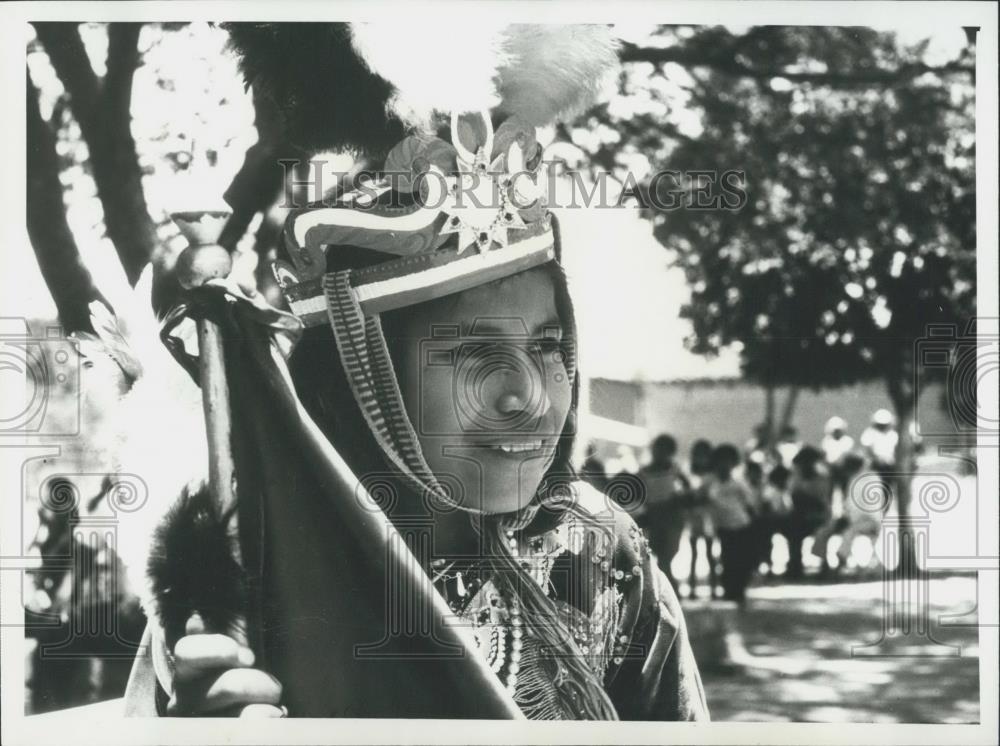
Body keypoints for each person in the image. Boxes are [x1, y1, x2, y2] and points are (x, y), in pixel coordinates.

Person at [123, 111, 707, 721]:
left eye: (544, 345)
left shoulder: (599, 548)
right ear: (358, 377)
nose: (528, 395)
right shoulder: (251, 569)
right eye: (470, 353)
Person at [635, 435, 690, 592]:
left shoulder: (675, 470)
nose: (660, 453)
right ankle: (671, 592)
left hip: (672, 517)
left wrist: (678, 498)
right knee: (659, 556)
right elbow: (637, 494)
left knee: (667, 556)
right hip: (654, 517)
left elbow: (688, 489)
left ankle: (669, 591)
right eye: (657, 449)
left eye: (664, 451)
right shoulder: (643, 472)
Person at [704, 444, 758, 605]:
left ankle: (739, 591)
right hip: (723, 527)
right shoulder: (710, 483)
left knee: (741, 559)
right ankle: (729, 591)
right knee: (727, 559)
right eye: (721, 461)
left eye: (727, 461)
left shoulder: (738, 483)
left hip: (741, 525)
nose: (724, 465)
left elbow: (750, 504)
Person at [782, 446, 833, 578]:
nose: (805, 465)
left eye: (808, 462)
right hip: (800, 515)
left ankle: (824, 566)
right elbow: (792, 497)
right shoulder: (795, 477)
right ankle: (795, 565)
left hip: (819, 515)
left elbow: (821, 500)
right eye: (802, 463)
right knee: (793, 529)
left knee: (822, 530)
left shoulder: (822, 477)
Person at [685, 439, 717, 599]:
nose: (701, 458)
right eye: (699, 455)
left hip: (708, 516)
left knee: (711, 554)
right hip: (694, 516)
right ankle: (692, 589)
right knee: (694, 553)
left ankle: (714, 588)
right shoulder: (689, 474)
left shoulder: (712, 476)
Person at [860, 409, 899, 503]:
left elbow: (897, 450)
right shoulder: (869, 433)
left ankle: (886, 507)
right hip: (876, 465)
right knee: (875, 489)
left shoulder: (893, 434)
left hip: (890, 465)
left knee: (889, 489)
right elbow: (867, 449)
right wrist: (877, 458)